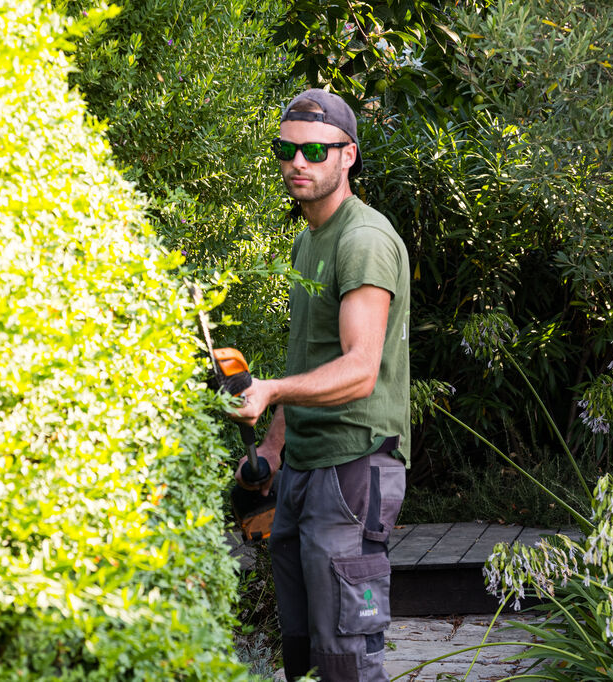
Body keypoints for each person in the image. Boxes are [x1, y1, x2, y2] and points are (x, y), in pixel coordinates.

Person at [232, 89, 411, 682]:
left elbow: (360, 369)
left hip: (354, 471)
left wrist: (273, 391)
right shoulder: (308, 240)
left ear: (348, 155)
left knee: (349, 655)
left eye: (315, 150)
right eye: (287, 150)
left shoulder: (363, 241)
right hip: (307, 469)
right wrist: (276, 448)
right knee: (305, 650)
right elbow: (310, 355)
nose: (298, 162)